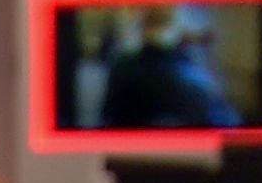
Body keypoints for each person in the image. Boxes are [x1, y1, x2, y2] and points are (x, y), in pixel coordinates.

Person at [100, 7, 241, 129]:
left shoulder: (121, 69)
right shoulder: (193, 77)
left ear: (142, 27)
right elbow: (228, 123)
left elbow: (108, 119)